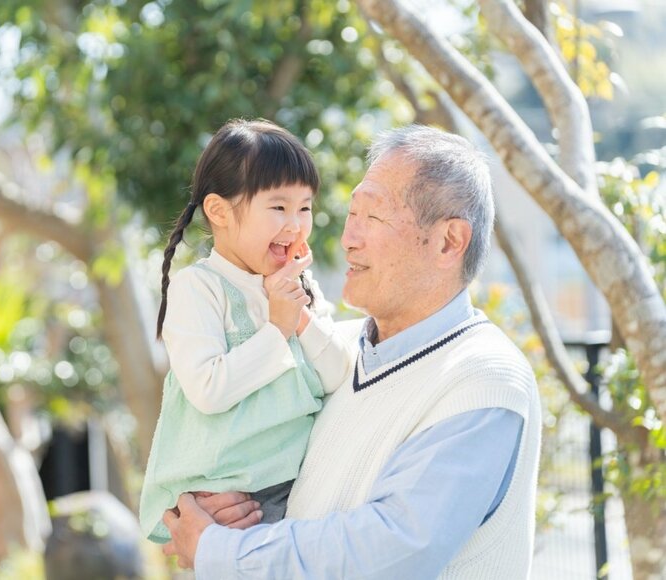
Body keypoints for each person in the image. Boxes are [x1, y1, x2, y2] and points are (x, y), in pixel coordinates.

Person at [162, 125, 542, 579]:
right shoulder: (328, 352)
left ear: (448, 242)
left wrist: (224, 550)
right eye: (351, 214)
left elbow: (394, 549)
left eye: (373, 218)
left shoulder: (483, 377)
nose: (347, 239)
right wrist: (217, 508)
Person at [140, 119, 355, 543]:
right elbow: (209, 388)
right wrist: (277, 327)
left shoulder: (301, 290)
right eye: (278, 207)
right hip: (226, 498)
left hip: (297, 486)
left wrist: (300, 316)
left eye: (305, 208)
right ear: (219, 211)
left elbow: (336, 375)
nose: (295, 225)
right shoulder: (199, 288)